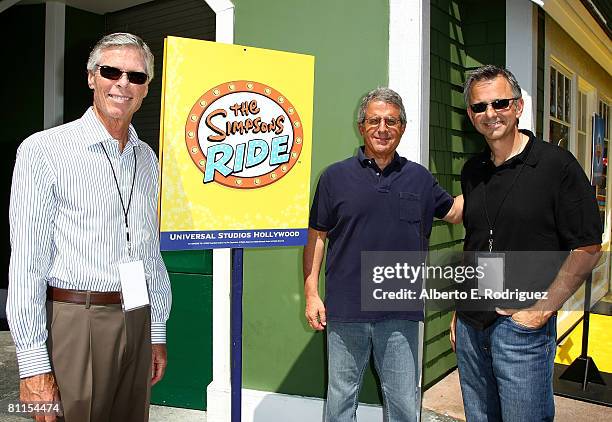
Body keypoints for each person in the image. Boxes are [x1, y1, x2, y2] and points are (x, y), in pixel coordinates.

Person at [7, 32, 172, 422]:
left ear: (146, 88)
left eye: (136, 76)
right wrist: (33, 365)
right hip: (75, 321)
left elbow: (149, 252)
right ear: (91, 77)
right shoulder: (43, 151)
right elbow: (27, 262)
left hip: (136, 316)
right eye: (111, 71)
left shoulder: (147, 158)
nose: (123, 83)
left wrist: (156, 331)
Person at [450, 65, 602, 421]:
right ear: (471, 116)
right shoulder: (473, 171)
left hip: (522, 332)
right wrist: (461, 309)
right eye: (479, 107)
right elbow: (478, 243)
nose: (490, 114)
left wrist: (539, 312)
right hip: (473, 330)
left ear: (518, 107)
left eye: (500, 103)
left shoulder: (555, 166)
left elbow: (587, 247)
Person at [304, 87, 463, 422]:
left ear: (402, 128)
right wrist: (311, 292)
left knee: (404, 403)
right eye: (374, 120)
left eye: (391, 121)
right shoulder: (334, 177)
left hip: (400, 311)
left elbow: (454, 211)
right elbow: (317, 236)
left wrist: (490, 180)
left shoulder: (419, 178)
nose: (382, 128)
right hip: (346, 309)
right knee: (340, 400)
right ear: (361, 126)